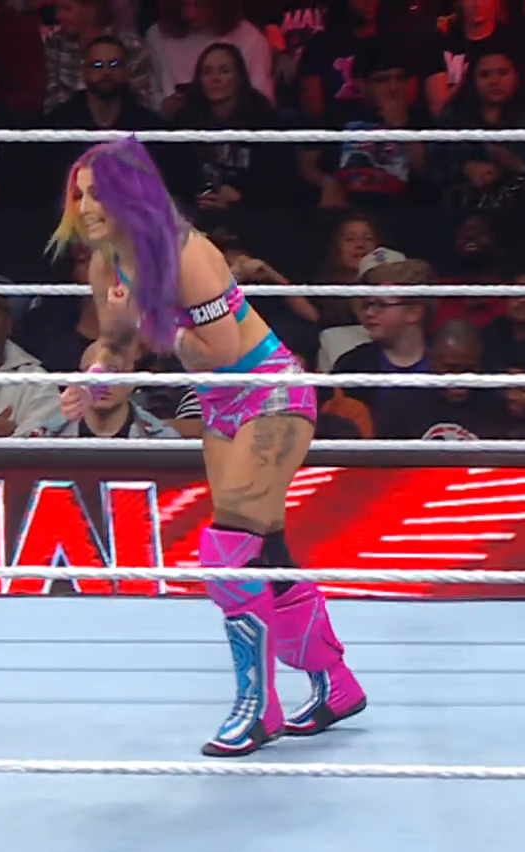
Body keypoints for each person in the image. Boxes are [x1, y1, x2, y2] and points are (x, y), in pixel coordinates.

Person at [49, 137, 365, 758]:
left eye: (97, 194)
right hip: (220, 406)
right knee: (263, 550)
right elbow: (116, 349)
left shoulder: (189, 254)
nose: (85, 208)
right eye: (78, 195)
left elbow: (218, 352)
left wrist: (148, 318)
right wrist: (93, 381)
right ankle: (335, 684)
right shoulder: (105, 264)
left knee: (226, 549)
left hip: (271, 395)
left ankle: (258, 707)